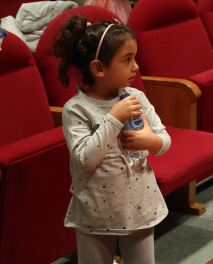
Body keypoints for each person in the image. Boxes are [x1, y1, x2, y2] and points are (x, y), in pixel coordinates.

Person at [51, 15, 169, 264]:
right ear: (99, 68)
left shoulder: (135, 97)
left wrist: (150, 142)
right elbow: (85, 159)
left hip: (139, 204)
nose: (136, 66)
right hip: (95, 211)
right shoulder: (77, 109)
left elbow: (163, 140)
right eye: (127, 60)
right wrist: (114, 118)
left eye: (134, 57)